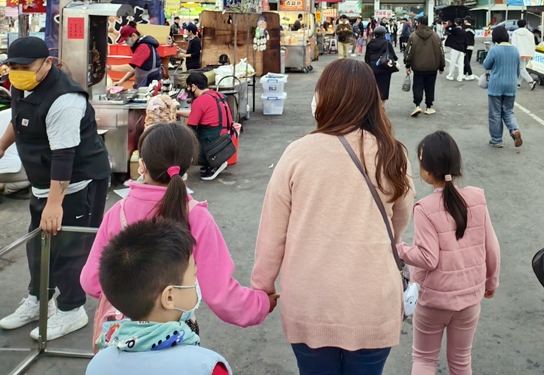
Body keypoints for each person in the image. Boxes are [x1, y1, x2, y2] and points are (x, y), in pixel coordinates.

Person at [252, 59, 415, 375]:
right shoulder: (393, 153)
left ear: (323, 98)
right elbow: (399, 220)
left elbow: (273, 231)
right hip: (373, 302)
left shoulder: (298, 153)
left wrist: (263, 286)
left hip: (311, 302)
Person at [81, 123, 274, 347]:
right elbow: (221, 294)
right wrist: (261, 303)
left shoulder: (118, 212)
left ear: (141, 165)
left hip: (120, 336)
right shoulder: (197, 217)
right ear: (187, 166)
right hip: (176, 337)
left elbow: (90, 281)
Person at [0, 36, 110, 341]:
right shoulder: (22, 84)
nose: (17, 72)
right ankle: (38, 299)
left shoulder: (65, 99)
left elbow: (64, 156)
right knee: (38, 243)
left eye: (25, 67)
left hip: (79, 181)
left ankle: (70, 309)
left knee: (69, 247)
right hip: (43, 181)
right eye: (12, 67)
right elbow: (19, 119)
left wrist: (55, 205)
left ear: (47, 64)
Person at [397, 131, 500, 375]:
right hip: (469, 298)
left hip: (434, 300)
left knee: (423, 359)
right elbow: (492, 247)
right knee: (461, 361)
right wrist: (491, 281)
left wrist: (399, 248)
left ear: (427, 169)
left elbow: (427, 258)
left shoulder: (425, 208)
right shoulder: (476, 198)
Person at [86, 218, 233, 375]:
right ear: (169, 297)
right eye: (194, 275)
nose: (196, 283)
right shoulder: (207, 367)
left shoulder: (98, 364)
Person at [183, 71, 237, 181]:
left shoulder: (200, 101)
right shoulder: (218, 96)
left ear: (193, 86)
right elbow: (198, 114)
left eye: (189, 88)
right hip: (225, 141)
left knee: (187, 138)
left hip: (212, 143)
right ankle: (213, 161)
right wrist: (178, 112)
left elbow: (191, 127)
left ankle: (214, 164)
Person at [481, 25, 522, 149]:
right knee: (508, 111)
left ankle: (497, 140)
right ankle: (514, 129)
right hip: (511, 85)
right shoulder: (515, 50)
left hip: (496, 86)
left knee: (495, 113)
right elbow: (518, 70)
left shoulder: (494, 50)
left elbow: (486, 65)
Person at [405, 17, 446, 117]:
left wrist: (408, 65)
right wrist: (441, 66)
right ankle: (429, 107)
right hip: (432, 67)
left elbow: (408, 52)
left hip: (418, 67)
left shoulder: (413, 36)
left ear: (418, 23)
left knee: (418, 85)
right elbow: (441, 52)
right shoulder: (435, 36)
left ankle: (417, 105)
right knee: (430, 86)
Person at [365, 25, 399, 104]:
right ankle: (382, 104)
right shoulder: (387, 43)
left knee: (374, 86)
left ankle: (374, 103)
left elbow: (367, 57)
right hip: (384, 68)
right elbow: (393, 56)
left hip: (372, 68)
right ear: (384, 34)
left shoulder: (370, 43)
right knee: (384, 87)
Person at [510, 19, 537, 89]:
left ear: (518, 25)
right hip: (528, 53)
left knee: (521, 69)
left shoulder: (515, 33)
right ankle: (518, 83)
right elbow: (533, 44)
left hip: (519, 53)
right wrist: (532, 54)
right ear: (525, 25)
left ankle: (531, 81)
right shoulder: (530, 34)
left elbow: (514, 44)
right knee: (522, 69)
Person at [462, 17, 476, 81]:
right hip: (471, 45)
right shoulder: (473, 28)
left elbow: (463, 38)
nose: (464, 20)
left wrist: (463, 48)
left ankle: (470, 74)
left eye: (465, 20)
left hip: (466, 45)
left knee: (465, 61)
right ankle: (464, 74)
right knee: (468, 60)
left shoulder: (464, 28)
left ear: (467, 21)